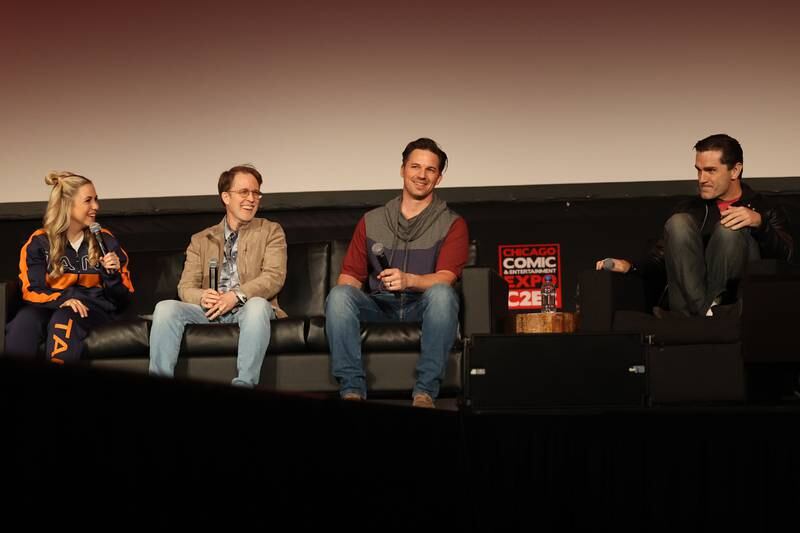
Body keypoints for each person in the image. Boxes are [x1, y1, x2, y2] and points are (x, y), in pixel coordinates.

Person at [326, 138, 469, 407]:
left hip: (422, 304)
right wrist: (345, 298)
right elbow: (350, 277)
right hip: (380, 305)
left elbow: (446, 278)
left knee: (442, 295)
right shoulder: (372, 220)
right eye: (415, 166)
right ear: (402, 169)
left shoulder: (453, 224)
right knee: (339, 295)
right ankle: (352, 391)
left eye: (430, 170)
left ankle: (424, 392)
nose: (422, 175)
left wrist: (408, 280)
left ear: (439, 178)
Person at [598, 134, 793, 317]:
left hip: (735, 305)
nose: (702, 179)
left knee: (729, 229)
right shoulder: (689, 209)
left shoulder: (764, 208)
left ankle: (711, 313)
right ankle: (706, 313)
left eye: (711, 171)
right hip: (687, 306)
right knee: (678, 222)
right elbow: (661, 258)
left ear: (735, 170)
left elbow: (787, 258)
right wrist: (630, 267)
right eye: (698, 170)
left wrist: (760, 224)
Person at [148, 165, 287, 387]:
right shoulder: (201, 239)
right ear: (226, 197)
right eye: (244, 192)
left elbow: (274, 277)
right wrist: (203, 297)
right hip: (210, 310)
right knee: (165, 308)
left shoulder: (271, 231)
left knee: (259, 305)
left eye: (256, 193)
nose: (251, 199)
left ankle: (244, 384)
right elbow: (185, 287)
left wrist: (236, 295)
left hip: (247, 307)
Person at [5, 171, 134, 362]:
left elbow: (123, 298)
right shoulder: (39, 242)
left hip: (91, 309)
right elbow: (31, 289)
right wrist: (62, 299)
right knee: (24, 321)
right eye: (88, 200)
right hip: (49, 303)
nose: (96, 206)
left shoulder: (104, 239)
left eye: (96, 200)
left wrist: (112, 275)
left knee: (65, 318)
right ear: (67, 204)